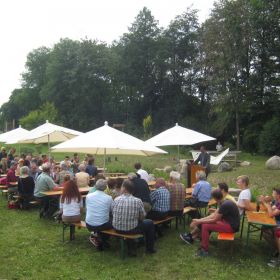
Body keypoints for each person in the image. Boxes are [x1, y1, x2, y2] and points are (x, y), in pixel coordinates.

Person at [180, 188, 240, 257]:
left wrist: (199, 221)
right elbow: (216, 214)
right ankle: (191, 237)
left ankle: (204, 250)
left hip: (232, 226)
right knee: (205, 222)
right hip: (228, 222)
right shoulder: (224, 201)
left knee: (206, 225)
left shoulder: (224, 204)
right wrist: (201, 220)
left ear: (214, 198)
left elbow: (214, 220)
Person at [112, 179, 156, 255]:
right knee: (149, 223)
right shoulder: (138, 201)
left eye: (122, 186)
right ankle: (149, 249)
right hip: (131, 229)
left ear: (124, 188)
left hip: (117, 228)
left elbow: (113, 213)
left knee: (131, 223)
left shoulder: (116, 199)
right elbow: (142, 217)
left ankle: (132, 247)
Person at [86, 179, 113, 250]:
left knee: (104, 220)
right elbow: (112, 211)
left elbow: (88, 207)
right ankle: (102, 240)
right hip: (102, 225)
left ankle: (97, 237)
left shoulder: (88, 196)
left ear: (96, 186)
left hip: (89, 224)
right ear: (105, 187)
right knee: (112, 222)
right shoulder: (109, 198)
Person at [259, 188, 280, 267]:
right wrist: (265, 202)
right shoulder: (277, 202)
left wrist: (267, 203)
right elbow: (271, 209)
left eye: (274, 193)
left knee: (275, 233)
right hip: (277, 222)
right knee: (265, 228)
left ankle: (278, 254)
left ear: (278, 195)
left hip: (278, 224)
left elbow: (271, 214)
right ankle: (277, 249)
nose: (272, 194)